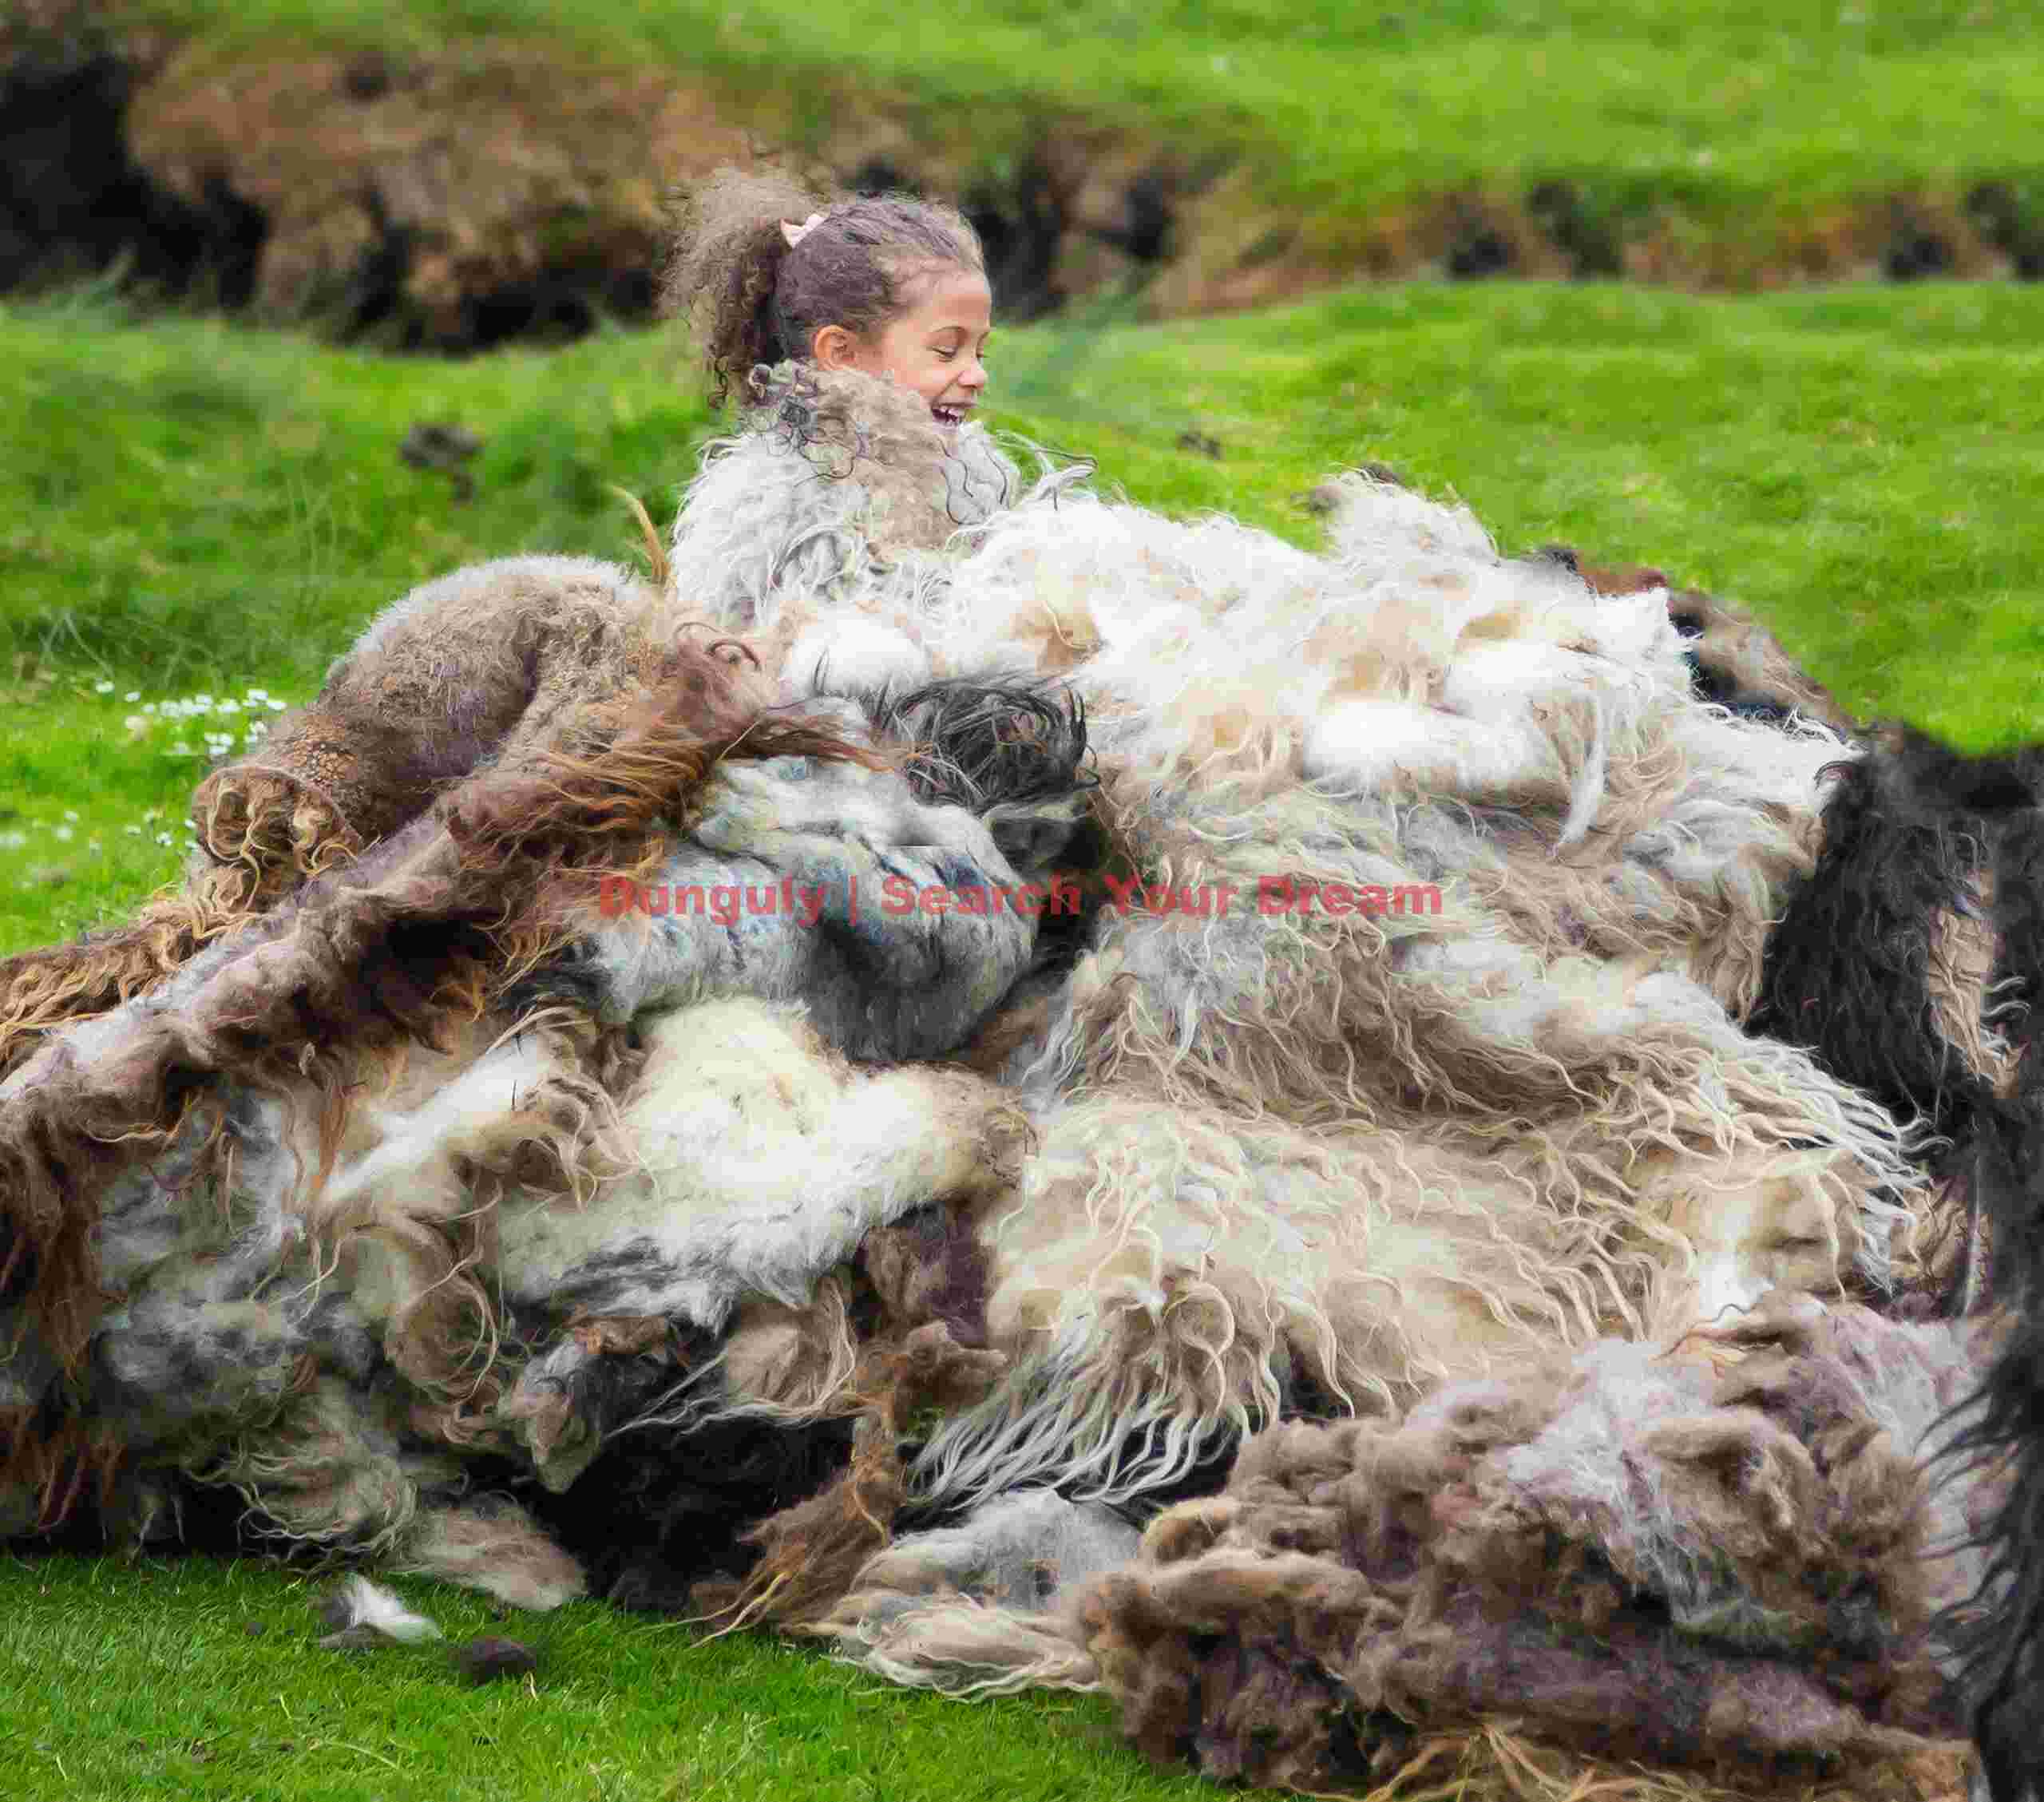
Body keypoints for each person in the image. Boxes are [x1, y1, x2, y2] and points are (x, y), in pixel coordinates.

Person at [661, 170, 1050, 689]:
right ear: (841, 354)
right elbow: (720, 665)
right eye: (946, 350)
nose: (977, 374)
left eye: (979, 351)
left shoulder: (977, 479)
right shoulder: (765, 503)